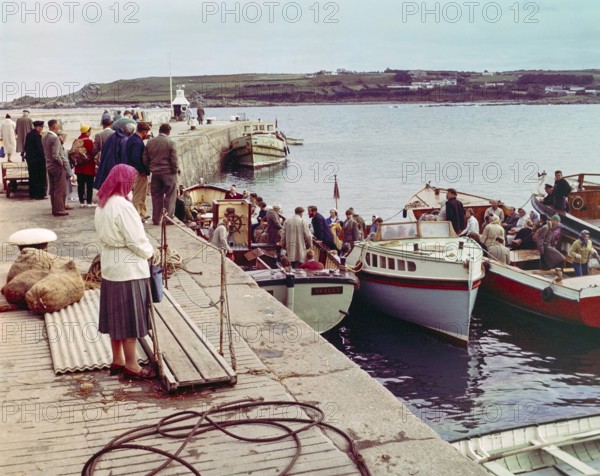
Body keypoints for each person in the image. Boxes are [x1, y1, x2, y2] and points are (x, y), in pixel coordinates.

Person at [95, 164, 156, 380]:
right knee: (130, 318)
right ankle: (132, 365)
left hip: (111, 266)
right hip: (129, 269)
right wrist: (150, 253)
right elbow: (135, 240)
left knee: (115, 317)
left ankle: (117, 359)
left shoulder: (103, 204)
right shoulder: (124, 207)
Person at [143, 123, 179, 225]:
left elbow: (145, 158)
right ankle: (168, 218)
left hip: (155, 173)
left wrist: (150, 167)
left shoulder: (150, 142)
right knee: (170, 195)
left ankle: (156, 218)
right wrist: (175, 171)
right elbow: (174, 160)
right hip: (168, 172)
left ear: (159, 130)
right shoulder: (171, 142)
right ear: (168, 132)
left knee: (156, 196)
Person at [94, 121, 136, 189]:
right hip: (116, 168)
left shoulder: (113, 136)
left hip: (107, 165)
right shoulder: (124, 140)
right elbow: (124, 157)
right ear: (131, 131)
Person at [42, 119, 69, 216]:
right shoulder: (55, 138)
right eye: (57, 125)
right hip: (57, 166)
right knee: (60, 189)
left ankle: (55, 208)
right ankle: (59, 209)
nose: (58, 127)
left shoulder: (44, 137)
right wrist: (62, 164)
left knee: (53, 188)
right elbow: (55, 155)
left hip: (49, 165)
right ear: (54, 127)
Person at [126, 121, 152, 221]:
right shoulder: (137, 142)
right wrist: (143, 170)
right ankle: (136, 215)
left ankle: (142, 213)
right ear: (144, 132)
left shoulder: (132, 139)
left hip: (134, 170)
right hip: (138, 171)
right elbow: (136, 158)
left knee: (142, 193)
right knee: (139, 194)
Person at [74, 125, 96, 208]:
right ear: (87, 132)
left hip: (79, 166)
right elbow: (92, 152)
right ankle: (89, 202)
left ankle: (81, 202)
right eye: (90, 131)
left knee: (80, 185)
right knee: (89, 185)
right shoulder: (89, 141)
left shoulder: (76, 141)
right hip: (88, 166)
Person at [24, 121, 47, 199]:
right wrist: (44, 157)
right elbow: (40, 149)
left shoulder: (29, 134)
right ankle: (40, 195)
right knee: (40, 177)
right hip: (38, 160)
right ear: (38, 127)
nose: (42, 129)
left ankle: (32, 194)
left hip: (30, 160)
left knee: (32, 177)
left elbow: (26, 147)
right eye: (41, 127)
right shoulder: (37, 136)